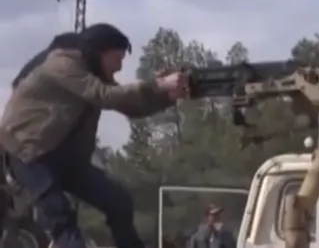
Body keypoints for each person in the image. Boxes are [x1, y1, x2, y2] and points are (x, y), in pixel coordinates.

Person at [0, 23, 189, 248]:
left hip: (65, 159)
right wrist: (158, 84)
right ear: (100, 52)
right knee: (61, 216)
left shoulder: (93, 74)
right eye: (117, 58)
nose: (119, 67)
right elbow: (103, 95)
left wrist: (168, 95)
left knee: (118, 201)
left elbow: (131, 105)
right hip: (28, 154)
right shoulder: (62, 64)